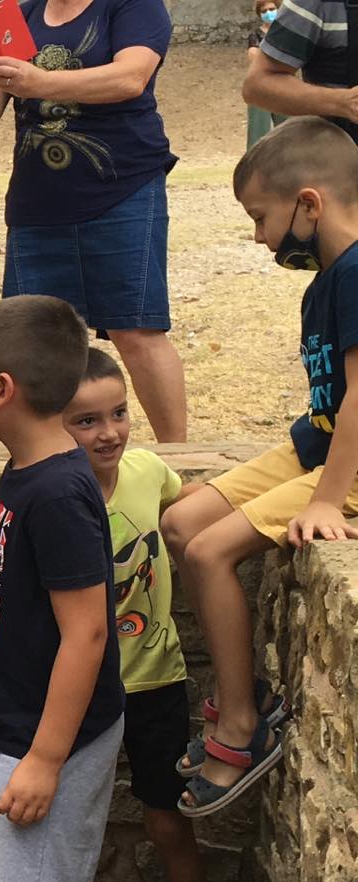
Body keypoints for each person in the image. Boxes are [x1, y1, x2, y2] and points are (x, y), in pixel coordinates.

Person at [161, 117, 358, 817]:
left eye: (260, 218)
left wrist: (327, 499)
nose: (258, 237)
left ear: (309, 204)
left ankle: (243, 723)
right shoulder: (328, 281)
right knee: (181, 521)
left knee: (210, 551)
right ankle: (241, 690)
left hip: (348, 465)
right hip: (317, 443)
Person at [0, 295, 125, 882]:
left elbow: (87, 632)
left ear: (1, 389)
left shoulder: (55, 495)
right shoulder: (29, 469)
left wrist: (46, 759)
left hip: (45, 743)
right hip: (17, 732)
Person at [0, 0, 189, 444]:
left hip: (123, 188)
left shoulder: (133, 5)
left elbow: (130, 78)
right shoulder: (17, 16)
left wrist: (39, 82)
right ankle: (48, 457)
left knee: (136, 329)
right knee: (31, 340)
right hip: (36, 203)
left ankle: (180, 456)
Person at [63, 348, 207, 882]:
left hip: (157, 681)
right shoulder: (52, 496)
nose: (109, 433)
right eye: (87, 420)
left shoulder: (146, 470)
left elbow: (185, 500)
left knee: (169, 822)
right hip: (80, 687)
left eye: (119, 413)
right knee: (67, 824)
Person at [240, 0, 358, 143]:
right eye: (265, 11)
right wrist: (344, 102)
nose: (269, 13)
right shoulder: (314, 4)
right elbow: (256, 85)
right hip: (339, 149)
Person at [247, 0, 287, 147]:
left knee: (289, 130)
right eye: (264, 11)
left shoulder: (286, 32)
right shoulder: (255, 35)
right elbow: (253, 58)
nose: (268, 13)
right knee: (258, 132)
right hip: (260, 85)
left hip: (284, 85)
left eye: (271, 9)